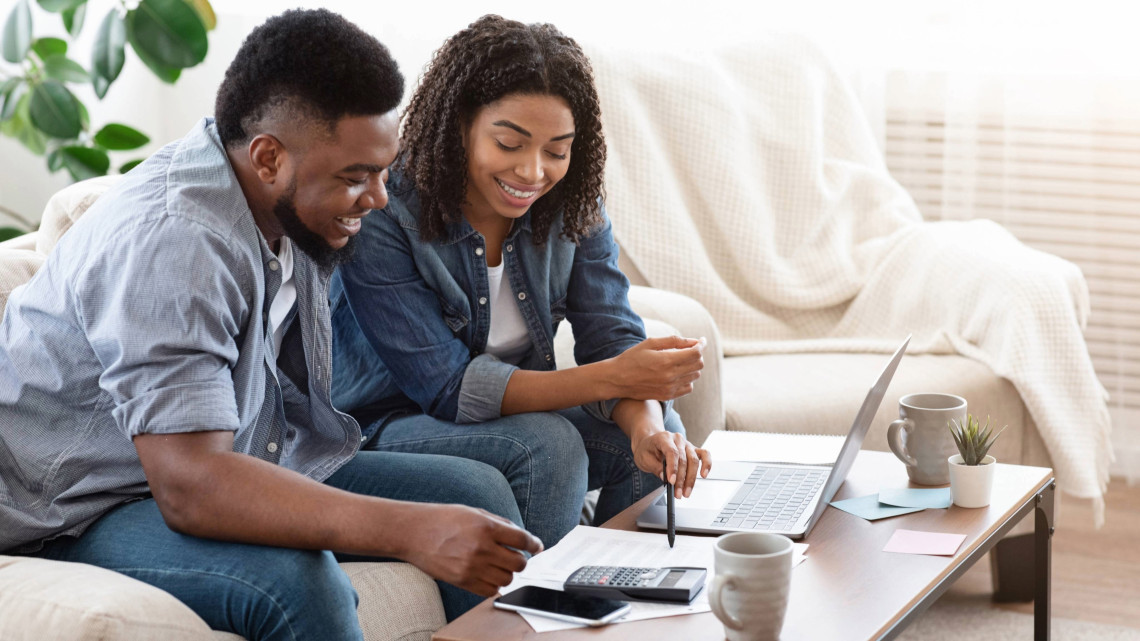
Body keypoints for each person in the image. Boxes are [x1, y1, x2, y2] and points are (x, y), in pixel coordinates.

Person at [0, 9, 541, 639]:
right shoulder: (177, 242)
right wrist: (410, 530)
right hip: (79, 506)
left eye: (382, 171)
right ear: (267, 157)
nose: (378, 198)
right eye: (356, 178)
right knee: (298, 583)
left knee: (476, 495)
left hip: (233, 452)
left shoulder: (284, 204)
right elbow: (193, 484)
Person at [330, 15, 713, 548]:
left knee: (658, 435)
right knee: (548, 445)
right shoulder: (387, 208)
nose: (533, 172)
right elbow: (447, 388)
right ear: (460, 124)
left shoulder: (572, 205)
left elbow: (610, 336)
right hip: (383, 425)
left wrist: (648, 427)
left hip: (501, 420)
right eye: (509, 143)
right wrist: (616, 376)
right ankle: (542, 598)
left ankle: (620, 589)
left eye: (556, 151)